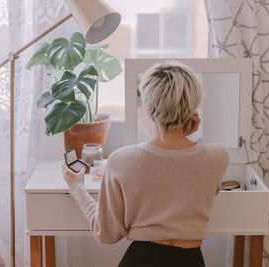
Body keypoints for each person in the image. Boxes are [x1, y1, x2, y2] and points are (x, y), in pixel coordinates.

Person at [62, 61, 229, 267]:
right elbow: (181, 169)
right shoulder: (217, 156)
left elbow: (106, 234)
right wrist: (184, 134)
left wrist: (76, 186)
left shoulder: (122, 160)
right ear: (193, 108)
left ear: (148, 107)